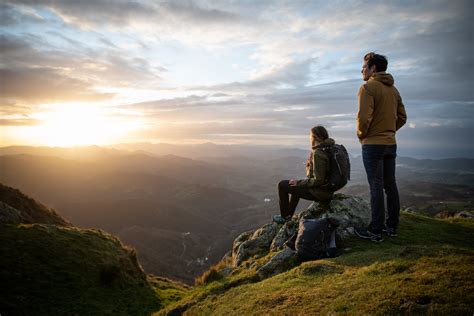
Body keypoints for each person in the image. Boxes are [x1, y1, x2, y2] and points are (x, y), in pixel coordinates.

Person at [355, 52, 407, 242]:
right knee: (390, 185)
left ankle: (375, 231)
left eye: (364, 66)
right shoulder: (394, 90)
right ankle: (391, 227)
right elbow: (402, 117)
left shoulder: (368, 87)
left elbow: (363, 118)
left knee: (375, 187)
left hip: (373, 145)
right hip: (390, 144)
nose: (362, 70)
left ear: (373, 68)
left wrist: (362, 135)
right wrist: (389, 131)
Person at [273, 125, 335, 224]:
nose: (310, 138)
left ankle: (284, 217)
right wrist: (299, 183)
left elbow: (318, 180)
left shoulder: (318, 153)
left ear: (315, 137)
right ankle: (288, 215)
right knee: (296, 185)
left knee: (282, 185)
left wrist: (299, 182)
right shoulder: (329, 148)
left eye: (310, 136)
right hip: (327, 190)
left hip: (320, 192)